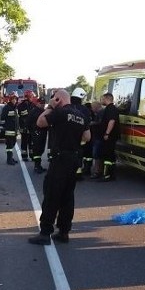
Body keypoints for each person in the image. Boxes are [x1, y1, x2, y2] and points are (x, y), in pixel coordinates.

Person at [28, 89, 91, 245]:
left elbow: (40, 122)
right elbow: (87, 137)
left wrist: (49, 106)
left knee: (51, 195)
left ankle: (45, 233)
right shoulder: (81, 116)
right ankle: (64, 232)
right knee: (67, 197)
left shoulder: (60, 112)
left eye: (54, 99)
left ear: (58, 99)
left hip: (60, 159)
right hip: (74, 160)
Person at [70, 87, 91, 180]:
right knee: (79, 154)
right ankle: (78, 173)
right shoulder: (85, 110)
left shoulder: (67, 108)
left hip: (68, 136)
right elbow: (87, 123)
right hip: (80, 136)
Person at [99, 92, 120, 181]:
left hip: (109, 137)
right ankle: (112, 175)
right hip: (112, 136)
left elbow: (111, 121)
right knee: (111, 156)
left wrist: (107, 133)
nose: (102, 100)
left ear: (107, 98)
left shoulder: (110, 108)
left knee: (107, 156)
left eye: (103, 98)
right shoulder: (112, 108)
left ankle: (106, 175)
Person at [27, 97, 48, 173]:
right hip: (37, 132)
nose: (42, 104)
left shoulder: (43, 111)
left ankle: (39, 165)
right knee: (37, 149)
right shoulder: (34, 111)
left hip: (43, 132)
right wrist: (33, 131)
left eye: (43, 103)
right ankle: (36, 166)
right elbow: (28, 122)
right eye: (41, 103)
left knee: (41, 149)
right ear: (37, 103)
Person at [0, 92, 19, 165]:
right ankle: (9, 159)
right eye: (13, 99)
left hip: (14, 131)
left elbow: (17, 119)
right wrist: (6, 127)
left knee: (12, 144)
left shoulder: (15, 108)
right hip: (9, 131)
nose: (14, 100)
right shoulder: (6, 108)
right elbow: (2, 119)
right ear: (10, 99)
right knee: (9, 145)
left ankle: (11, 158)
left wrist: (18, 128)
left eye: (15, 99)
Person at [17, 90, 35, 161]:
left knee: (31, 142)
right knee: (24, 142)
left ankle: (32, 155)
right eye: (31, 96)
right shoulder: (20, 106)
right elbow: (19, 118)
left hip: (31, 128)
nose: (32, 98)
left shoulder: (33, 105)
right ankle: (24, 156)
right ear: (28, 97)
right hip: (24, 128)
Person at [89, 100, 104, 179]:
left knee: (97, 155)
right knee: (97, 155)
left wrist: (92, 123)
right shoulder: (99, 113)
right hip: (98, 137)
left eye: (92, 107)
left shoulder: (100, 113)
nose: (91, 109)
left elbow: (100, 123)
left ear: (95, 107)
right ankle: (98, 171)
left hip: (98, 137)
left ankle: (97, 172)